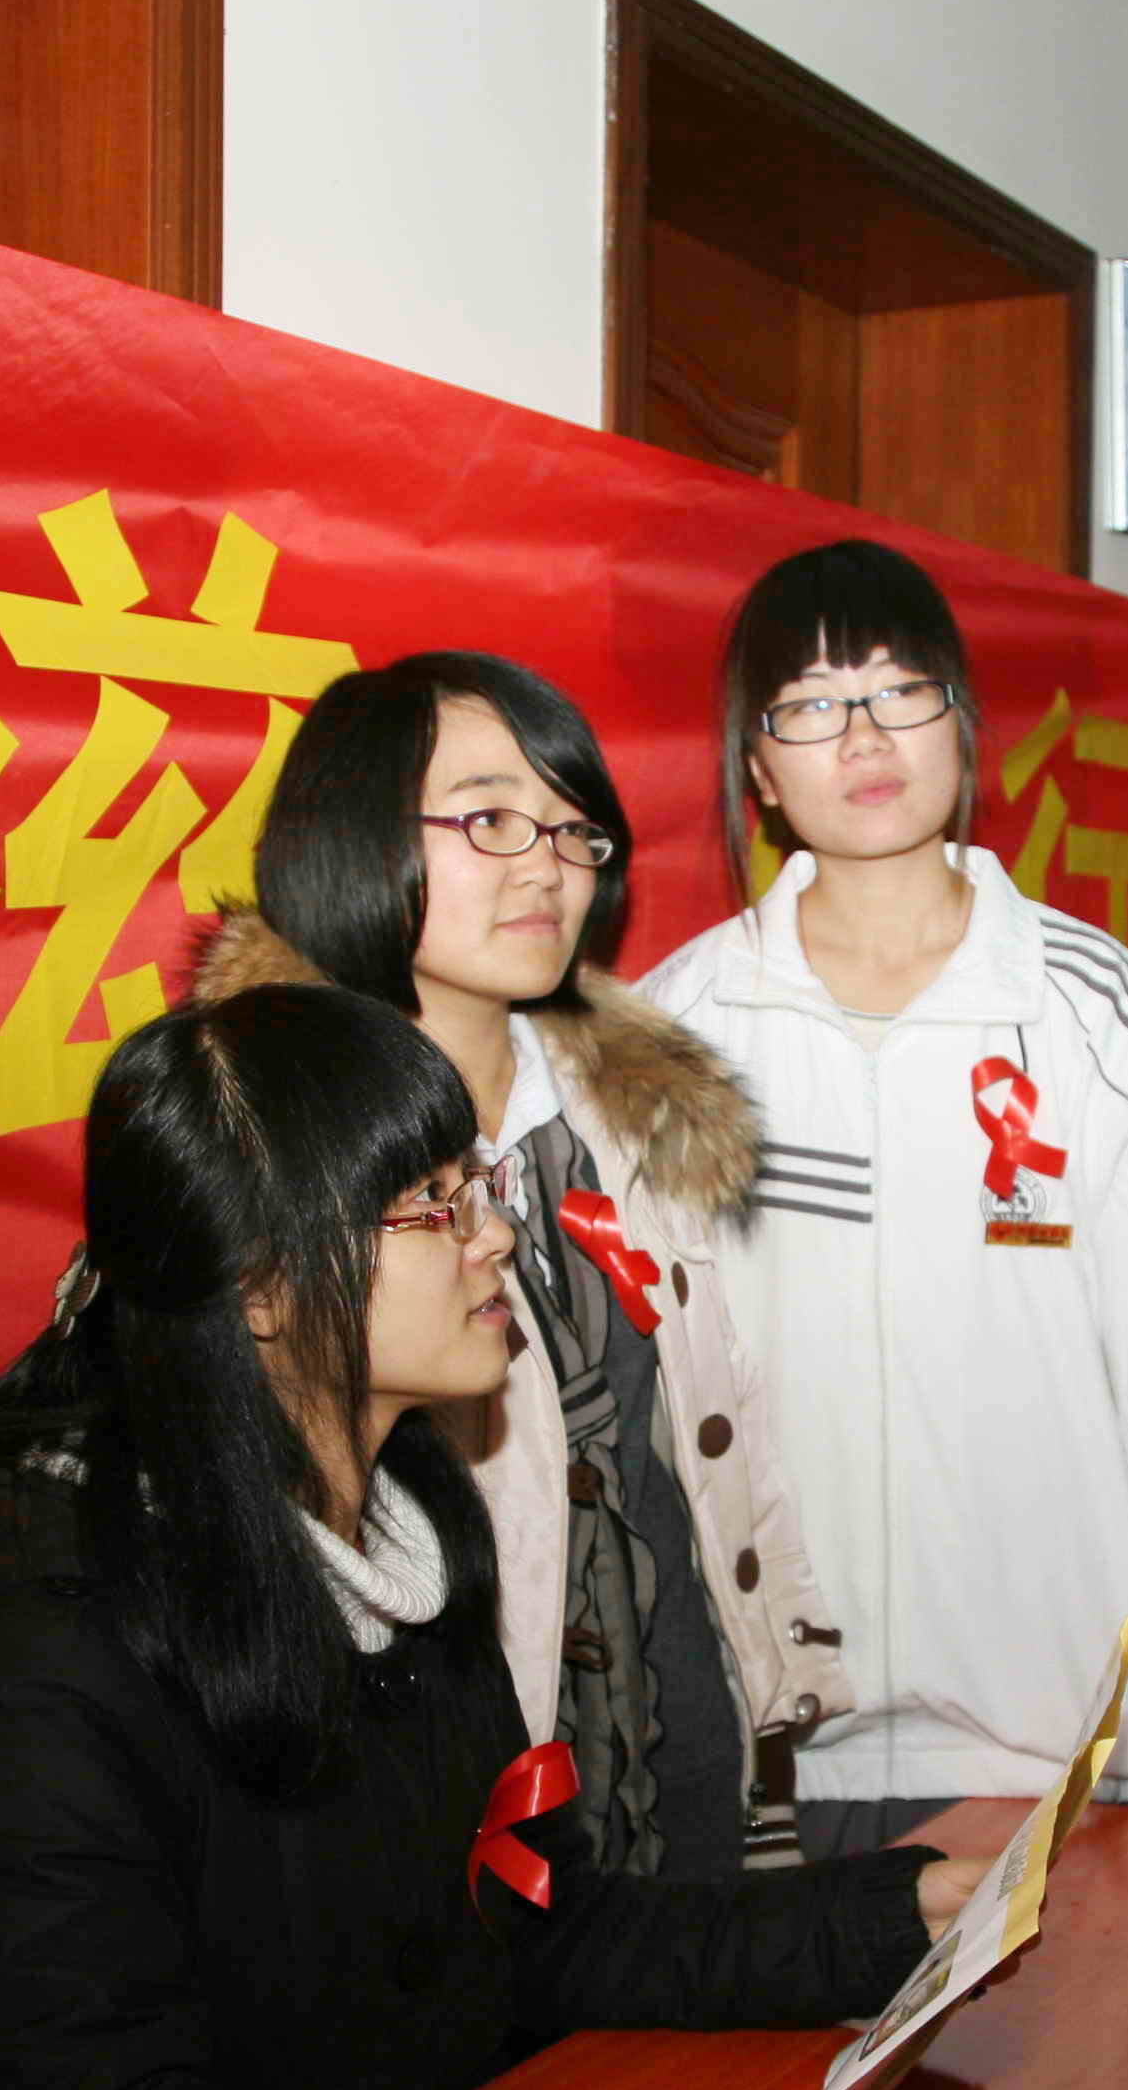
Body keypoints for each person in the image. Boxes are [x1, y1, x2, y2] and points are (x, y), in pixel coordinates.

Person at [0, 983, 976, 2090]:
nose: (498, 1236)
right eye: (431, 1206)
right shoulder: (62, 1657)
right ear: (261, 1286)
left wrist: (901, 1917)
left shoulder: (404, 1524)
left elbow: (539, 1930)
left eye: (477, 1185)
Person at [646, 538, 1128, 1853]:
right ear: (759, 770)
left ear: (962, 724)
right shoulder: (680, 1028)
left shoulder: (1092, 1007)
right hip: (774, 1749)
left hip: (1059, 1734)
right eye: (810, 705)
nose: (863, 735)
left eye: (899, 690)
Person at [207, 650, 841, 1879]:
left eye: (572, 828)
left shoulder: (631, 1117)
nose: (546, 865)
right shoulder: (262, 1151)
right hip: (446, 1818)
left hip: (685, 1771)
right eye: (490, 819)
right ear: (351, 838)